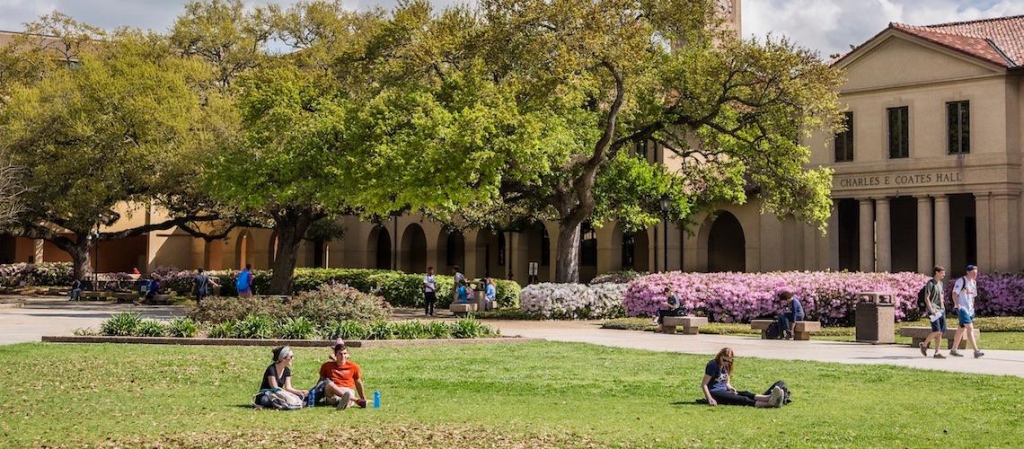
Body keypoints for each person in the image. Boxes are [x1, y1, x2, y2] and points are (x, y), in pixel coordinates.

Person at [701, 347, 784, 408]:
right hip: (715, 392)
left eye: (729, 361)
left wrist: (730, 388)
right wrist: (710, 398)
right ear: (720, 356)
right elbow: (704, 384)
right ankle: (769, 404)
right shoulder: (713, 365)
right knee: (741, 399)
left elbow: (727, 383)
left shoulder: (727, 365)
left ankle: (769, 398)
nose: (726, 363)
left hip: (724, 390)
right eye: (724, 360)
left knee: (745, 393)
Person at [318, 343, 367, 410]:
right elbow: (321, 381)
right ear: (335, 355)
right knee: (328, 384)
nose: (343, 356)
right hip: (333, 393)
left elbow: (358, 382)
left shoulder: (353, 366)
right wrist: (314, 394)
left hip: (347, 389)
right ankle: (355, 400)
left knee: (347, 394)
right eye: (340, 354)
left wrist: (363, 398)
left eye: (345, 354)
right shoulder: (326, 366)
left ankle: (344, 403)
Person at [951, 265, 984, 358]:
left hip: (970, 310)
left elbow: (973, 296)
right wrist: (958, 305)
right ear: (968, 272)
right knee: (969, 328)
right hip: (962, 309)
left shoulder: (974, 282)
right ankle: (976, 351)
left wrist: (972, 308)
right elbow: (954, 293)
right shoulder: (961, 281)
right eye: (973, 273)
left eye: (976, 273)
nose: (975, 275)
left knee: (961, 329)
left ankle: (953, 350)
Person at [919, 266, 947, 359]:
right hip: (933, 311)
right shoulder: (930, 283)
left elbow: (940, 297)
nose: (944, 274)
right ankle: (924, 344)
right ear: (936, 272)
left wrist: (943, 308)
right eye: (942, 273)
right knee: (936, 330)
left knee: (940, 333)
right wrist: (931, 310)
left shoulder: (941, 283)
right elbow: (926, 298)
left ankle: (937, 353)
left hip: (941, 310)